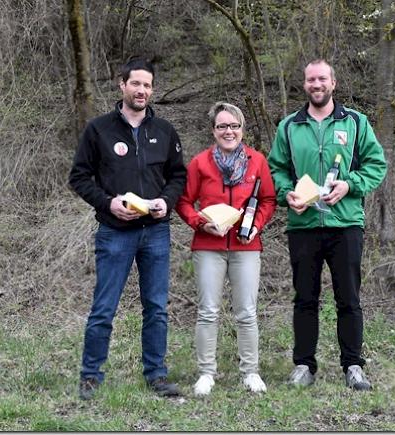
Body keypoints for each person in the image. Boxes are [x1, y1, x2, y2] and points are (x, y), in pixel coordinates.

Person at [69, 58, 187, 400]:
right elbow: (78, 177)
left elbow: (178, 175)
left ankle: (156, 375)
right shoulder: (99, 130)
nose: (142, 91)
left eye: (148, 85)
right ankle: (91, 376)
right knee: (104, 307)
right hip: (114, 233)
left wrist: (167, 199)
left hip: (156, 232)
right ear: (122, 85)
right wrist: (108, 204)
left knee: (157, 307)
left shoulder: (164, 131)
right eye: (136, 84)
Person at [267, 59, 387, 390]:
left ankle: (353, 365)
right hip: (303, 224)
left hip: (345, 223)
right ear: (304, 85)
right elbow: (275, 168)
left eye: (322, 79)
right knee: (305, 297)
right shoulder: (289, 126)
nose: (316, 84)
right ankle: (304, 365)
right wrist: (285, 192)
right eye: (310, 79)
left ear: (333, 82)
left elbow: (377, 165)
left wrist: (350, 184)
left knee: (348, 297)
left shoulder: (356, 123)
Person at [176, 102, 277, 396]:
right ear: (213, 130)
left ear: (242, 129)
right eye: (222, 126)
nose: (228, 131)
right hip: (209, 246)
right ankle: (207, 373)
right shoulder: (200, 163)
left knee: (246, 311)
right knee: (208, 310)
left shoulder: (257, 161)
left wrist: (255, 225)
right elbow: (183, 202)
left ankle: (251, 372)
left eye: (234, 126)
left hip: (246, 246)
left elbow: (269, 200)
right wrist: (199, 223)